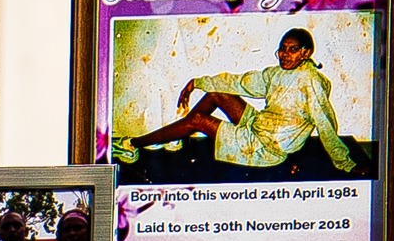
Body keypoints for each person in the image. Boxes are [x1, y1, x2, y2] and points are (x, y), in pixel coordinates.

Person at [111, 28, 355, 174]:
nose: (284, 55)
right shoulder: (276, 73)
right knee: (216, 93)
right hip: (259, 125)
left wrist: (346, 164)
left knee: (198, 120)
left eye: (292, 50)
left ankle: (131, 144)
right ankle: (178, 135)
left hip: (266, 148)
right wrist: (197, 82)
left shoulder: (312, 82)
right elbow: (239, 82)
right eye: (282, 49)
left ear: (305, 53)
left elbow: (325, 124)